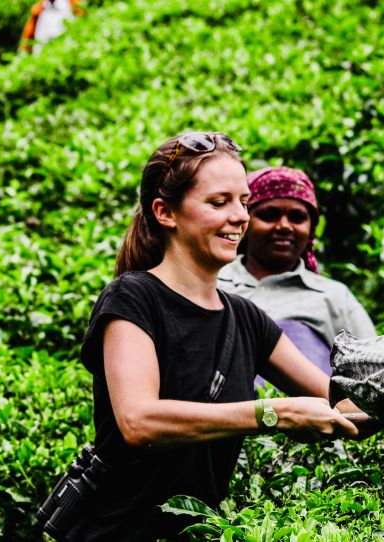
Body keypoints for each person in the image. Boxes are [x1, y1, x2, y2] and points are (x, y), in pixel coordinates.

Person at [69, 133, 360, 540]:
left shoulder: (246, 320)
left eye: (243, 201)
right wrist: (275, 414)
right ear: (165, 212)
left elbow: (340, 401)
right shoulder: (132, 298)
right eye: (218, 202)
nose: (240, 216)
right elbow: (139, 421)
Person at [218, 167, 376, 375]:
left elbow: (374, 373)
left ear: (311, 228)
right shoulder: (213, 281)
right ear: (244, 221)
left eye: (297, 217)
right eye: (269, 215)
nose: (284, 226)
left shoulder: (334, 297)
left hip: (311, 405)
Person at [19, 0, 83, 54]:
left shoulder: (73, 4)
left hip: (68, 54)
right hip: (41, 56)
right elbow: (27, 37)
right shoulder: (39, 9)